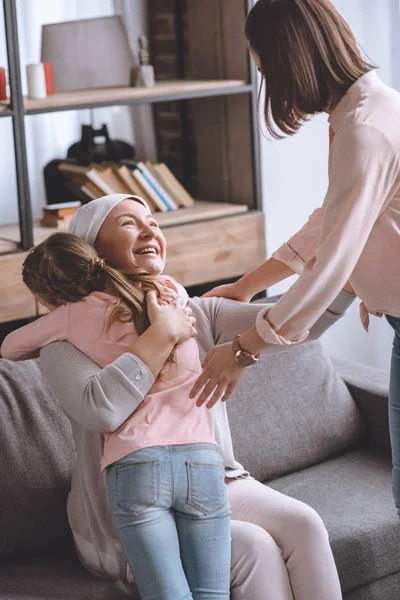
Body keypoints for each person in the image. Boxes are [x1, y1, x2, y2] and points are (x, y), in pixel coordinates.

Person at [10, 193, 353, 600]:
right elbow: (101, 409)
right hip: (120, 508)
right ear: (93, 250)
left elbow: (294, 326)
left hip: (211, 478)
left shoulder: (191, 310)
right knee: (254, 547)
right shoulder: (63, 339)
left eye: (152, 220)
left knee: (305, 523)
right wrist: (160, 336)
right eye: (128, 223)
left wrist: (350, 282)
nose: (149, 228)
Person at [199, 0, 400, 519]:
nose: (268, 82)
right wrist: (247, 285)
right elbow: (330, 220)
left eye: (265, 68)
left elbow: (332, 261)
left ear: (293, 62)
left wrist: (244, 350)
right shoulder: (364, 111)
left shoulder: (364, 127)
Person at [1, 229, 231, 600]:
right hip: (201, 456)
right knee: (214, 594)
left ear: (50, 296)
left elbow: (10, 347)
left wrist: (60, 323)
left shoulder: (68, 317)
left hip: (137, 461)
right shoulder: (164, 290)